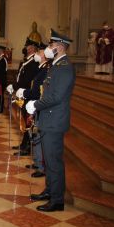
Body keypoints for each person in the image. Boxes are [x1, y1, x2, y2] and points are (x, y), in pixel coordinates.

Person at [26, 29, 75, 212]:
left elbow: (55, 96)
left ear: (60, 47)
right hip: (49, 119)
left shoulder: (65, 68)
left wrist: (36, 105)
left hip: (54, 121)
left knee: (53, 161)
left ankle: (57, 200)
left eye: (51, 45)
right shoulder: (56, 65)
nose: (48, 48)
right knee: (49, 159)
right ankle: (50, 190)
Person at [16, 42, 50, 178]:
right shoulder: (42, 69)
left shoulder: (46, 69)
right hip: (34, 104)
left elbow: (38, 92)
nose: (37, 54)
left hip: (38, 105)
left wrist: (25, 93)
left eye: (39, 52)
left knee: (37, 135)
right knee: (34, 134)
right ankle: (37, 162)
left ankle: (41, 166)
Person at [9, 38, 40, 156]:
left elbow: (27, 80)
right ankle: (24, 143)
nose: (26, 48)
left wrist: (15, 86)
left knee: (28, 121)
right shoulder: (27, 61)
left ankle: (27, 146)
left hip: (27, 95)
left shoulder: (33, 62)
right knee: (24, 121)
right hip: (22, 94)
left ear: (32, 48)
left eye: (27, 46)